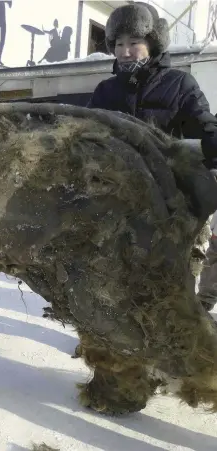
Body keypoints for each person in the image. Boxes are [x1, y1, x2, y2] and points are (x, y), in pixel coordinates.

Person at [87, 2, 217, 312]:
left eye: (134, 43)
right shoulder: (107, 91)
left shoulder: (179, 85)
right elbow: (86, 135)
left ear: (152, 43)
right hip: (118, 199)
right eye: (119, 44)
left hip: (170, 201)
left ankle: (169, 343)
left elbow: (203, 124)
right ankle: (106, 338)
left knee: (171, 281)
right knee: (112, 275)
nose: (125, 51)